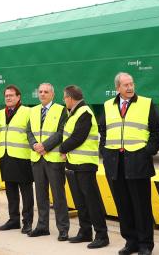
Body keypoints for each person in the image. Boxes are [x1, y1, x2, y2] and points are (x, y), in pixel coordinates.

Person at [101, 73, 159, 255]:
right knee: (123, 205)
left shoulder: (146, 103)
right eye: (126, 85)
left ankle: (145, 245)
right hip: (115, 164)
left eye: (131, 84)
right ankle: (131, 242)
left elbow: (157, 132)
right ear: (117, 88)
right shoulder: (107, 105)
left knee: (141, 206)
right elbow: (103, 131)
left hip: (138, 163)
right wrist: (104, 151)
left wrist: (146, 152)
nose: (130, 87)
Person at [60, 85, 109, 249]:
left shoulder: (85, 113)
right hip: (74, 163)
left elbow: (78, 137)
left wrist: (61, 148)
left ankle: (102, 235)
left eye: (64, 98)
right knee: (80, 201)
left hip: (85, 164)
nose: (64, 101)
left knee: (92, 201)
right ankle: (85, 231)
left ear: (70, 98)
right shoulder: (73, 113)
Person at [26, 82, 69, 241]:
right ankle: (42, 226)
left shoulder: (61, 110)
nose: (42, 94)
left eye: (46, 92)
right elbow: (29, 131)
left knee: (58, 196)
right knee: (41, 195)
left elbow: (61, 132)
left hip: (53, 159)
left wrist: (45, 146)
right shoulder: (33, 110)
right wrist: (34, 145)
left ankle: (63, 229)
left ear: (52, 94)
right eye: (40, 92)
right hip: (37, 158)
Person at [0, 85, 34, 233]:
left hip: (22, 157)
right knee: (10, 191)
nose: (8, 98)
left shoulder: (28, 112)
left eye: (11, 95)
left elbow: (32, 133)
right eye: (6, 95)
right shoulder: (0, 113)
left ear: (18, 97)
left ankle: (28, 221)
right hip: (5, 156)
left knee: (26, 192)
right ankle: (14, 220)